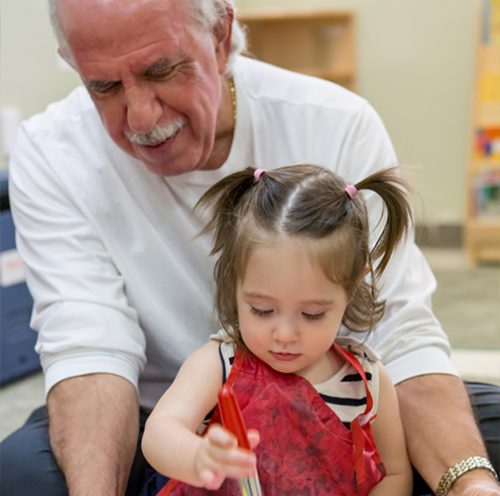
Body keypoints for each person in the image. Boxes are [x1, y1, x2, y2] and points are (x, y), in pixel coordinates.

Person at [1, 0, 498, 495]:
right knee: (20, 476)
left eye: (162, 70)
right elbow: (90, 351)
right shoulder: (51, 152)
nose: (141, 116)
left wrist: (468, 482)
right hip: (159, 417)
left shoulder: (335, 121)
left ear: (221, 36)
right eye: (103, 86)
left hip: (333, 423)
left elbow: (401, 333)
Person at [141, 164, 414, 496]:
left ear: (352, 288)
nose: (284, 334)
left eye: (312, 314)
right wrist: (197, 456)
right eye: (262, 310)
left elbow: (393, 473)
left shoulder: (366, 382)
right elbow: (159, 432)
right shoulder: (220, 363)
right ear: (235, 283)